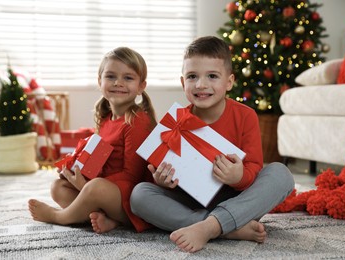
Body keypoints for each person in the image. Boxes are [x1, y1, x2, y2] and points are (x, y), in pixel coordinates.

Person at [130, 36, 295, 252]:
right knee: (139, 195)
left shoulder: (246, 116)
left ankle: (209, 227)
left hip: (236, 199)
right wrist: (162, 181)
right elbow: (162, 170)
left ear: (229, 82)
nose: (201, 85)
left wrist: (238, 177)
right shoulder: (174, 122)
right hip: (191, 201)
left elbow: (254, 169)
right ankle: (226, 227)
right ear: (182, 83)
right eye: (192, 76)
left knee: (281, 174)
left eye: (212, 76)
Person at [28, 47, 157, 234]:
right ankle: (108, 219)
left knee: (96, 187)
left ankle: (60, 217)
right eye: (111, 76)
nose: (118, 82)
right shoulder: (106, 120)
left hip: (129, 196)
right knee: (58, 187)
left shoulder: (137, 120)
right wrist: (74, 171)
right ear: (100, 81)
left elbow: (133, 176)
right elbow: (97, 161)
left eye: (128, 78)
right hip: (103, 189)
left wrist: (88, 185)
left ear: (141, 87)